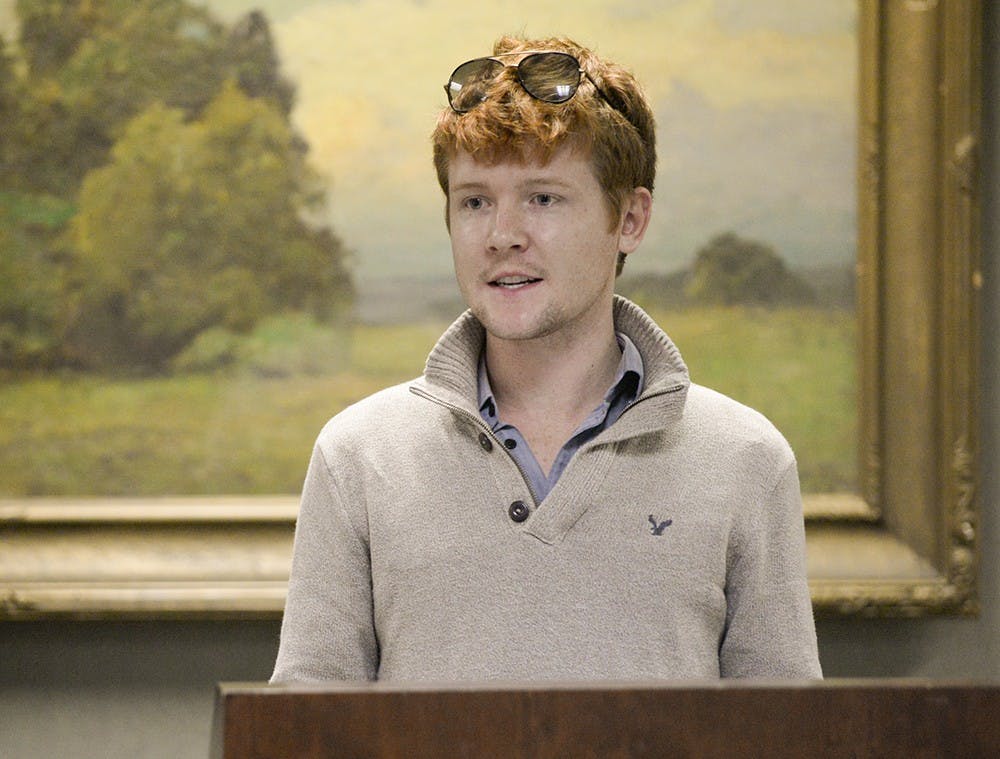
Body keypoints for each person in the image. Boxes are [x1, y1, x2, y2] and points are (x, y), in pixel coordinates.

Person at [271, 35, 821, 682]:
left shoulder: (748, 461)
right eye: (475, 201)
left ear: (630, 219)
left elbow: (784, 730)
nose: (502, 235)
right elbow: (306, 728)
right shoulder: (357, 458)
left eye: (543, 198)